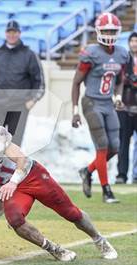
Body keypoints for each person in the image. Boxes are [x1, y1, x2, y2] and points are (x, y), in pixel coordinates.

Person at [0, 126, 118, 261]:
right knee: (15, 220)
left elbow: (21, 159)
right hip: (10, 190)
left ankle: (99, 240)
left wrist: (13, 182)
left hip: (32, 176)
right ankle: (54, 249)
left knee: (70, 212)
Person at [71, 13, 128, 203]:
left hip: (108, 103)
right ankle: (106, 191)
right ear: (98, 31)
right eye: (106, 30)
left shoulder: (121, 53)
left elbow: (120, 80)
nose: (110, 34)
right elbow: (76, 82)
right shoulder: (90, 53)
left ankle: (87, 171)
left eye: (113, 30)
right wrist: (75, 111)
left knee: (115, 147)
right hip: (91, 102)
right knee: (102, 145)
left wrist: (118, 96)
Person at [0, 20, 45, 145]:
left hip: (18, 106)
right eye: (9, 32)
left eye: (14, 32)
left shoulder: (29, 55)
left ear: (19, 33)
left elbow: (39, 81)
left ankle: (11, 165)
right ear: (5, 34)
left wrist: (32, 101)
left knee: (14, 143)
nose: (12, 35)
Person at [116, 32, 137, 184]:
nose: (135, 44)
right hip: (125, 107)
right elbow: (118, 79)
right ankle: (121, 174)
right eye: (132, 41)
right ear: (129, 43)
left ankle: (136, 175)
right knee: (123, 142)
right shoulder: (123, 59)